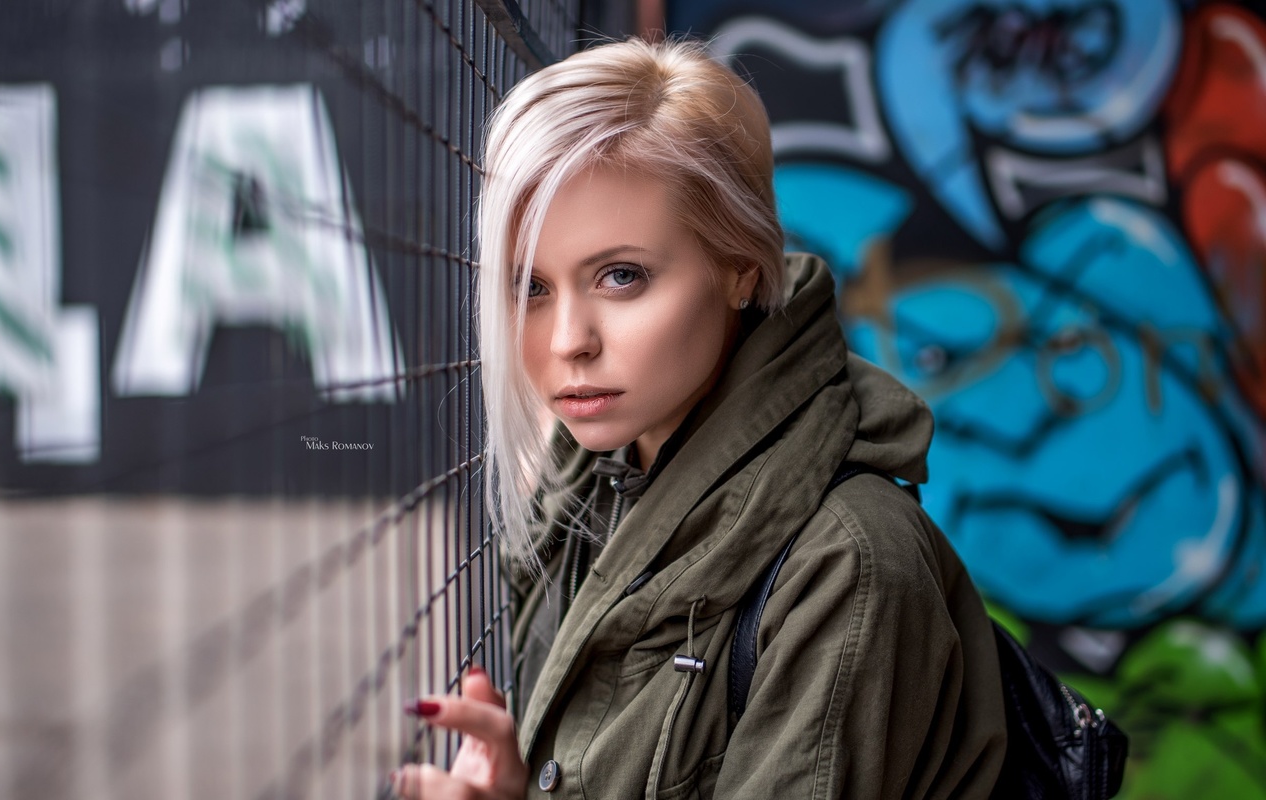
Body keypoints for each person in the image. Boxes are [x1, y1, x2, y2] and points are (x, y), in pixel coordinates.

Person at [391, 36, 1007, 800]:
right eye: (532, 287)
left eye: (622, 276)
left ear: (740, 269)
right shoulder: (591, 489)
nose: (566, 342)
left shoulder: (845, 568)